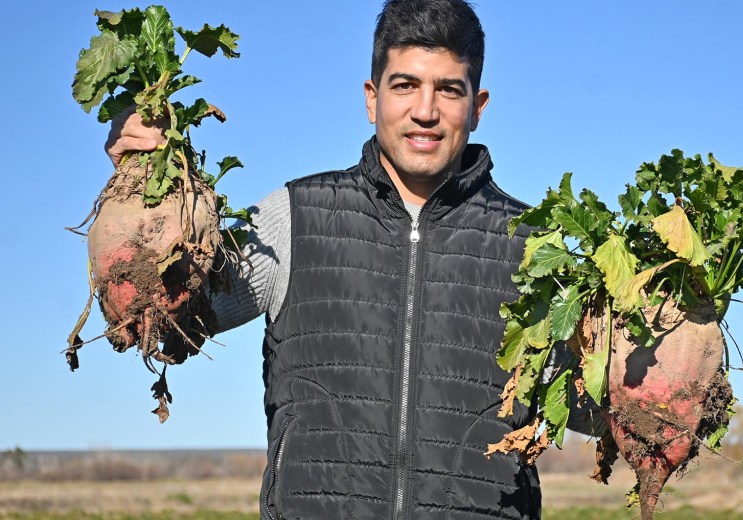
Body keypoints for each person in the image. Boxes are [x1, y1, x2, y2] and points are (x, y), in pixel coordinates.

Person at [107, 1, 598, 518]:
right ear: (372, 98)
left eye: (448, 90)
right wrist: (141, 184)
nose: (425, 111)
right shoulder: (293, 218)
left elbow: (599, 404)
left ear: (477, 106)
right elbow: (162, 315)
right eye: (405, 85)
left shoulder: (537, 246)